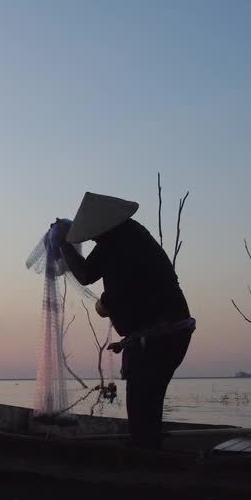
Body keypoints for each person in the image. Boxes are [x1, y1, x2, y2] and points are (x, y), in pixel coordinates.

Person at [54, 192, 193, 449]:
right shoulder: (122, 237)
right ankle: (149, 455)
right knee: (145, 408)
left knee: (142, 407)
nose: (93, 237)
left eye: (94, 233)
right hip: (157, 336)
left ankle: (145, 467)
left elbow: (95, 286)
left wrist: (63, 243)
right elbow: (93, 276)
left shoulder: (120, 243)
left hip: (161, 338)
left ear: (102, 226)